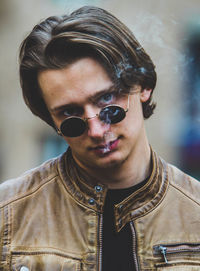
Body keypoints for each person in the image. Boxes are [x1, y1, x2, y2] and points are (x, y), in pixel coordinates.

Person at [1, 6, 200, 271]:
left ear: (143, 86)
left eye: (107, 99)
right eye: (70, 114)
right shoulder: (8, 217)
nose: (96, 130)